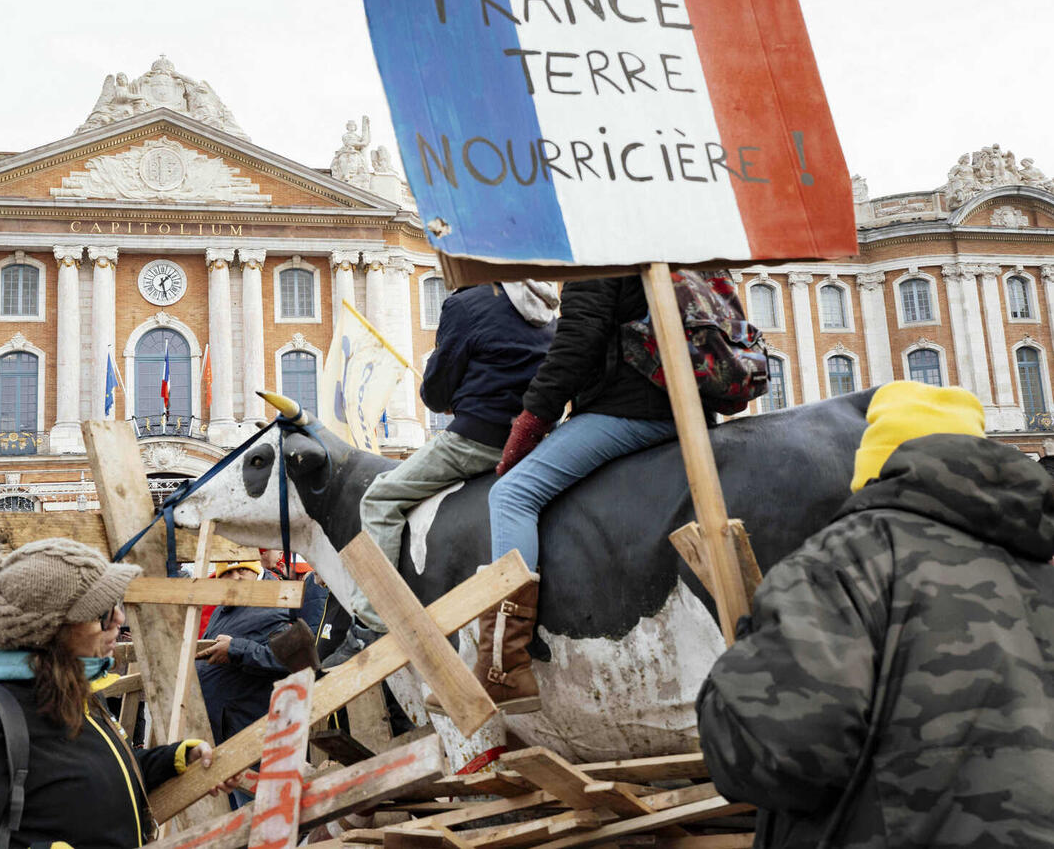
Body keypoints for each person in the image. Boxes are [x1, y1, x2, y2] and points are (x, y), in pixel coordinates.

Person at [696, 381, 1054, 847]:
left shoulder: (841, 562)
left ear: (872, 465)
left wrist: (734, 680)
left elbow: (775, 755)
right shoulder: (1040, 572)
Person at [436, 274, 678, 715]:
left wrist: (530, 423)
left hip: (634, 406)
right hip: (690, 403)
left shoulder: (598, 259)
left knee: (511, 494)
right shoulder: (664, 237)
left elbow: (576, 347)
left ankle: (504, 668)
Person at [0, 538, 234, 849]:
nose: (118, 618)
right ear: (52, 629)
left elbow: (92, 776)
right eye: (101, 612)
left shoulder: (78, 694)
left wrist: (174, 759)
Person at [327, 280, 558, 666]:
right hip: (535, 441)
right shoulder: (547, 305)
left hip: (477, 438)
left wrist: (452, 394)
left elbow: (435, 391)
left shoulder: (467, 303)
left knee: (381, 498)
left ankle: (370, 627)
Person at [196, 560, 289, 809]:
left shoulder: (275, 604)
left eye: (242, 570)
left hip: (251, 731)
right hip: (225, 730)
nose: (235, 577)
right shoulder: (226, 607)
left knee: (260, 811)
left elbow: (289, 658)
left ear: (256, 571)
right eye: (228, 572)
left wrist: (236, 649)